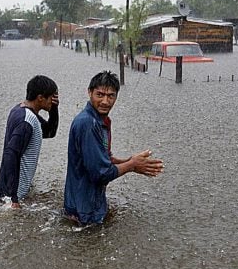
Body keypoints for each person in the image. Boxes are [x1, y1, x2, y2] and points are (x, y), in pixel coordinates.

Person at [63, 70, 164, 225]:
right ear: (89, 92)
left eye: (111, 96)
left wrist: (130, 161)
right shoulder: (88, 124)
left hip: (87, 203)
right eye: (100, 94)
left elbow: (103, 159)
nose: (105, 101)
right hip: (85, 211)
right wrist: (131, 165)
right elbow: (100, 174)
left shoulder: (100, 120)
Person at [0, 75, 59, 208]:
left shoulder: (20, 110)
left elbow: (49, 132)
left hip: (6, 187)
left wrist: (54, 109)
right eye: (52, 97)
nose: (53, 100)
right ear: (40, 98)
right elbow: (11, 155)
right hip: (14, 193)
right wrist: (14, 198)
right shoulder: (26, 121)